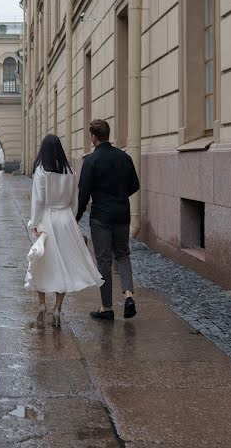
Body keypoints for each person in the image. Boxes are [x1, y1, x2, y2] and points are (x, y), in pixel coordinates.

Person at [26, 134, 103, 327]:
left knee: (41, 262)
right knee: (65, 265)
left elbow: (38, 201)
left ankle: (42, 304)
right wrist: (71, 219)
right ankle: (58, 308)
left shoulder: (41, 171)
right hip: (66, 219)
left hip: (47, 219)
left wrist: (33, 223)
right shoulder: (69, 172)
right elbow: (74, 202)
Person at [76, 119, 140, 320]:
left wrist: (75, 217)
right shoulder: (124, 157)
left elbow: (83, 194)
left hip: (101, 216)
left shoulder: (91, 161)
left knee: (104, 259)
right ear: (108, 134)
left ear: (93, 137)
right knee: (123, 254)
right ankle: (128, 295)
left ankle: (107, 307)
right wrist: (119, 195)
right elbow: (134, 185)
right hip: (122, 213)